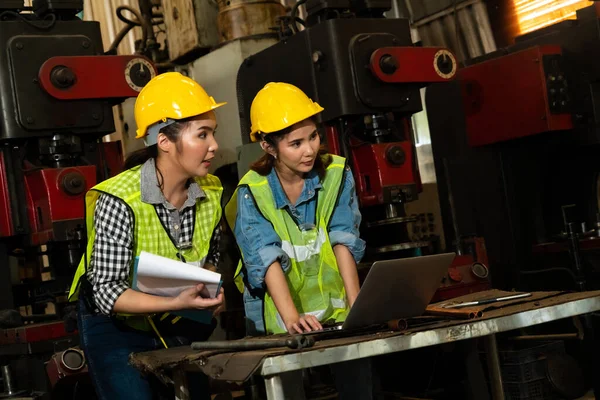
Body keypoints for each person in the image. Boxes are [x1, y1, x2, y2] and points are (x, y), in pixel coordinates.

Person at [68, 72, 225, 400]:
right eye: (203, 134)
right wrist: (177, 301)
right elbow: (108, 294)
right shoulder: (119, 198)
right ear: (164, 141)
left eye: (213, 133)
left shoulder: (211, 190)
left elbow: (211, 256)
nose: (214, 146)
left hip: (179, 317)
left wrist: (209, 291)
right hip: (115, 326)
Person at [225, 82, 374, 398]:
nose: (309, 150)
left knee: (359, 388)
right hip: (276, 315)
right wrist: (291, 320)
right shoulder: (252, 192)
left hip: (336, 309)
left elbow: (342, 237)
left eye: (313, 137)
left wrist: (357, 305)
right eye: (295, 143)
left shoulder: (336, 172)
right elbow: (264, 257)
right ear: (268, 146)